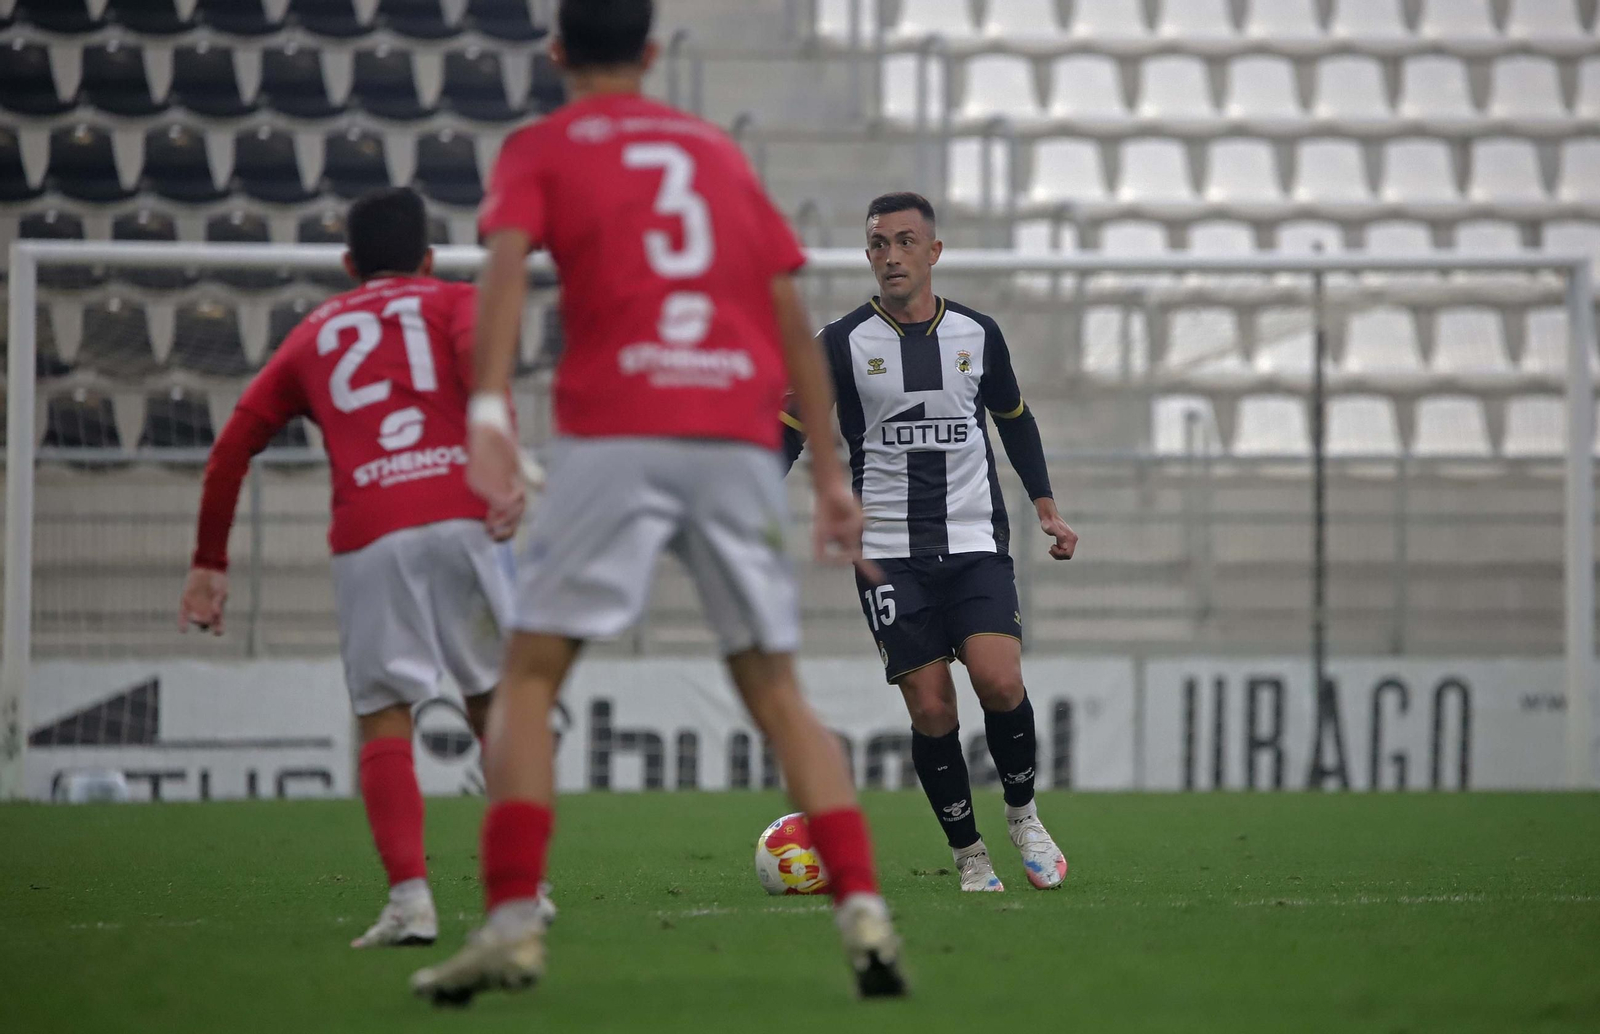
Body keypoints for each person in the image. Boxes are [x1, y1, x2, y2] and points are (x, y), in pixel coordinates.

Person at [408, 0, 907, 1007]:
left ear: (554, 55)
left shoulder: (541, 146)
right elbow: (786, 308)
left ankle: (511, 920)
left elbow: (502, 270)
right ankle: (861, 907)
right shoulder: (714, 151)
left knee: (529, 676)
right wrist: (829, 475)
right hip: (729, 429)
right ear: (649, 52)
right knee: (776, 689)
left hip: (616, 426)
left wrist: (491, 407)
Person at [179, 186, 530, 949]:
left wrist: (209, 561)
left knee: (383, 716)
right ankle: (521, 892)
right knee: (495, 704)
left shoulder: (311, 335)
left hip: (372, 530)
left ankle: (411, 901)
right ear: (430, 258)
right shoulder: (452, 300)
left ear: (347, 264)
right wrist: (501, 463)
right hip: (466, 514)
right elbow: (484, 368)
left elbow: (230, 449)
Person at [783, 192, 1078, 894]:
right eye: (879, 243)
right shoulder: (842, 342)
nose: (891, 255)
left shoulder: (978, 334)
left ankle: (1023, 815)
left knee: (1000, 681)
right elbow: (789, 431)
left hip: (974, 538)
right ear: (867, 256)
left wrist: (1046, 507)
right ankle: (970, 854)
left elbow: (1015, 419)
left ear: (934, 253)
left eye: (906, 241)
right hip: (886, 553)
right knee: (932, 706)